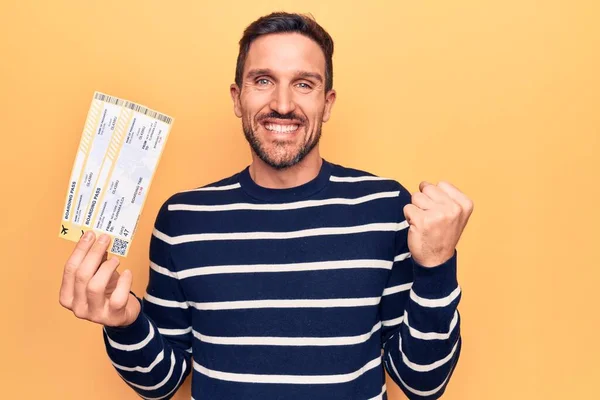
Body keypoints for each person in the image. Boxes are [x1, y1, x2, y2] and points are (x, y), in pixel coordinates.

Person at [59, 11, 473, 400]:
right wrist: (126, 323)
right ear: (237, 98)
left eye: (304, 84)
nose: (282, 104)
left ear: (327, 104)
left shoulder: (385, 208)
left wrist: (437, 266)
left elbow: (423, 382)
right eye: (263, 80)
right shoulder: (182, 220)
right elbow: (163, 384)